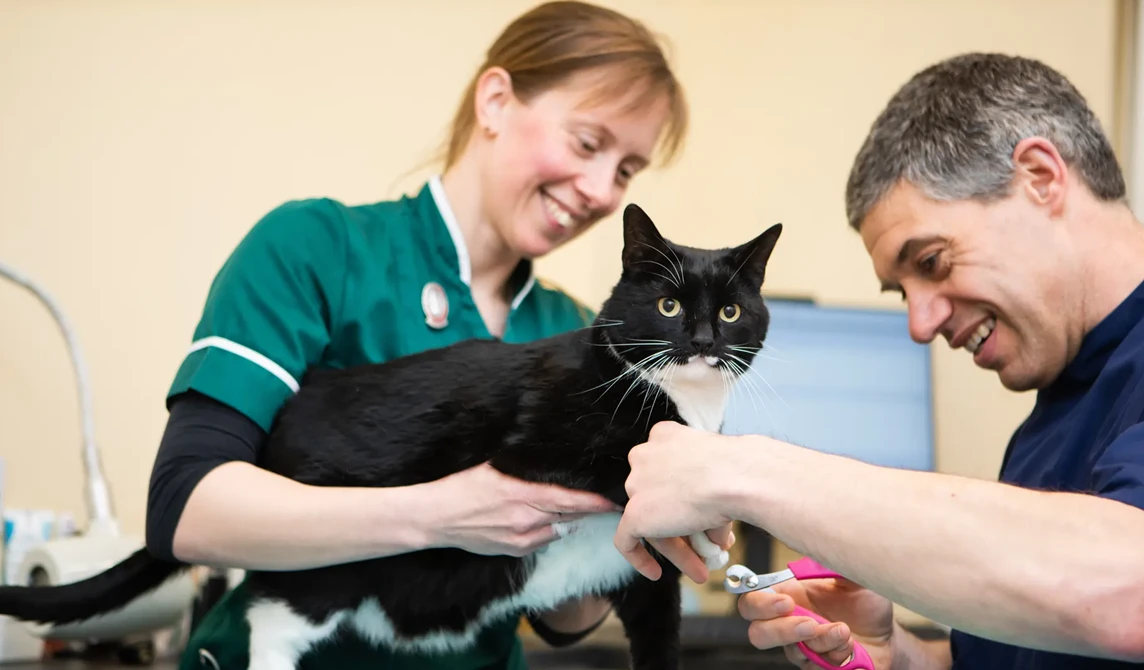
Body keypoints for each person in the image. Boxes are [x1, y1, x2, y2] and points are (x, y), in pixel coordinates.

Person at [144, 2, 696, 669]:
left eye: (627, 170)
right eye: (587, 144)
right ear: (494, 100)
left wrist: (644, 530)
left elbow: (558, 616)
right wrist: (439, 513)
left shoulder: (576, 334)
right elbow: (186, 507)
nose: (601, 190)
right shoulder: (317, 249)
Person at [613, 52, 1144, 669]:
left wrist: (740, 473)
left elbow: (1128, 591)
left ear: (1039, 177)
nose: (920, 325)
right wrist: (898, 657)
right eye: (903, 292)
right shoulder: (1054, 414)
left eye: (932, 262)